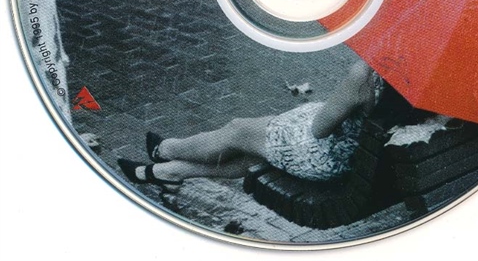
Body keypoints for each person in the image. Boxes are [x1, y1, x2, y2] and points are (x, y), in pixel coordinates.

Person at [118, 60, 385, 185]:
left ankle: (165, 150)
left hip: (323, 156)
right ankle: (169, 172)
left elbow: (320, 129)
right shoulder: (403, 81)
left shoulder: (365, 75)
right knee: (253, 152)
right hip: (356, 161)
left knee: (239, 130)